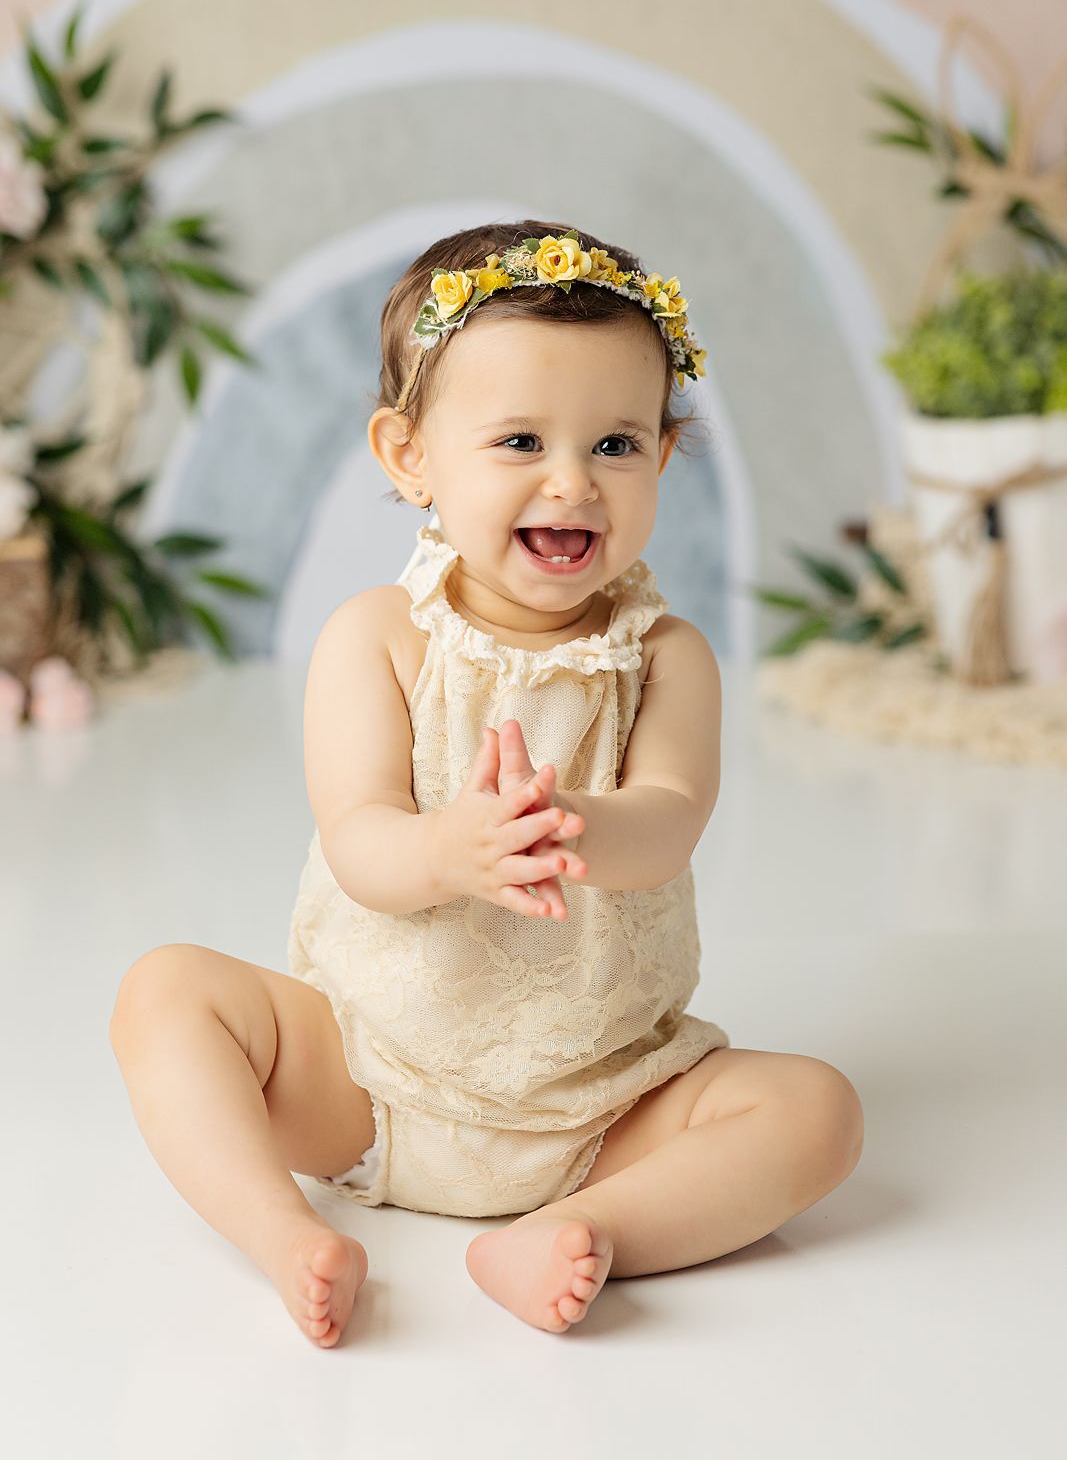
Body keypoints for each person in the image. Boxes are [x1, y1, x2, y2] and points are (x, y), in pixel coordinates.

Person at [109, 221, 864, 1349]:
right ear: (408, 455)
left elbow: (668, 820)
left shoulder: (666, 657)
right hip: (367, 1080)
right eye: (519, 439)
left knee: (817, 1111)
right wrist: (447, 850)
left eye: (615, 443)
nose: (572, 481)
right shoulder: (378, 636)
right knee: (164, 992)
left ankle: (583, 1226)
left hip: (607, 1100)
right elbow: (358, 836)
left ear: (663, 457)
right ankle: (282, 1232)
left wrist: (577, 824)